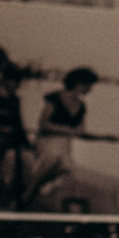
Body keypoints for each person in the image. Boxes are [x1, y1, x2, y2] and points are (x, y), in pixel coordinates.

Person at [24, 68, 97, 207]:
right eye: (88, 85)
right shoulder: (55, 98)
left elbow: (81, 129)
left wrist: (76, 132)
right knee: (53, 160)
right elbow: (43, 123)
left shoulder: (81, 106)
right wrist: (68, 130)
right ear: (79, 84)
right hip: (47, 141)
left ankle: (32, 190)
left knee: (67, 170)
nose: (90, 89)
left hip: (64, 144)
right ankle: (29, 192)